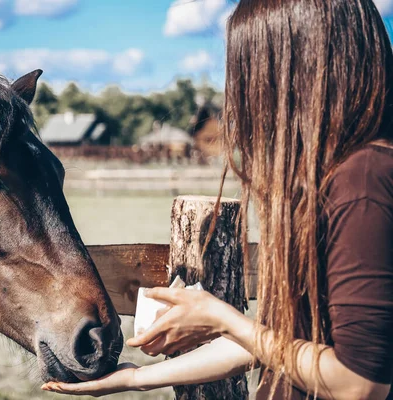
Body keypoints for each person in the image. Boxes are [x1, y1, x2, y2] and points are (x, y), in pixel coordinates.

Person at [41, 0, 393, 399]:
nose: (241, 95)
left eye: (248, 69)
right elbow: (275, 345)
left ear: (294, 73)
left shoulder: (363, 182)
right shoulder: (335, 178)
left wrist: (224, 319)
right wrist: (135, 379)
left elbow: (359, 382)